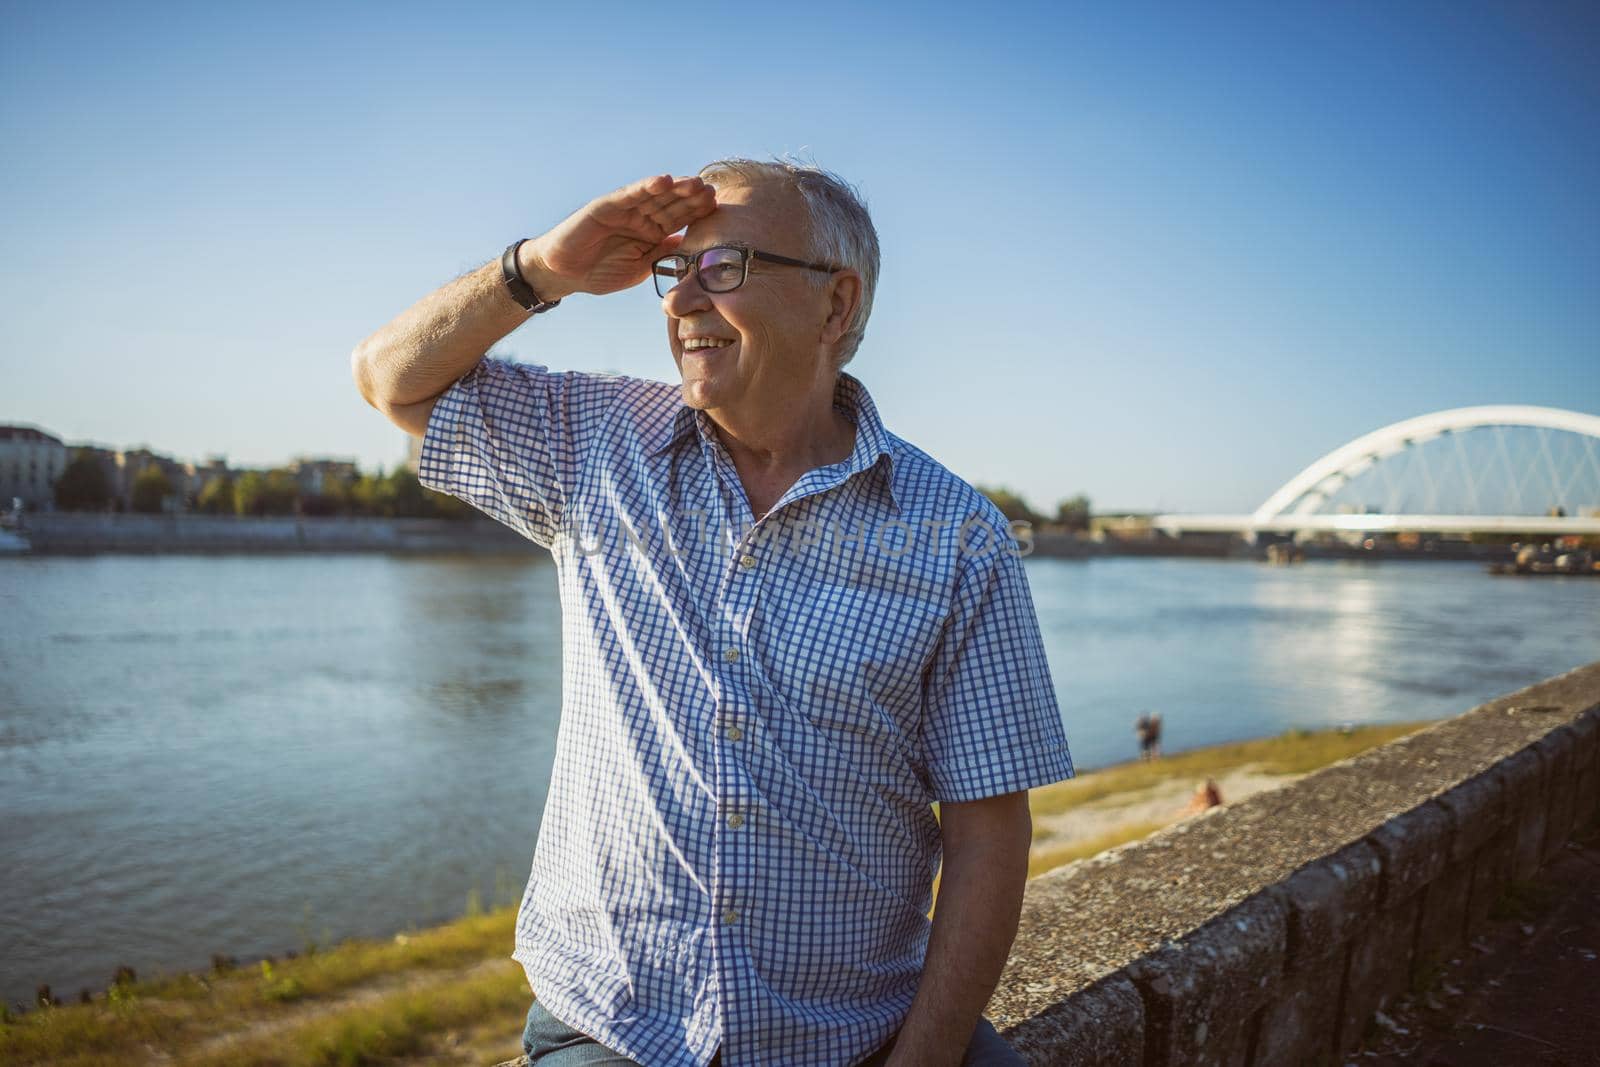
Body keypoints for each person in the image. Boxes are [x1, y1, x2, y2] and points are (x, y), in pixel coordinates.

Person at [353, 159, 1075, 1067]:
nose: (681, 298)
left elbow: (988, 831)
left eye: (723, 266)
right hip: (617, 1030)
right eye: (673, 270)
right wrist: (540, 267)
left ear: (835, 305)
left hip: (857, 1032)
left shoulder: (955, 531)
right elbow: (391, 381)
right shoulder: (598, 443)